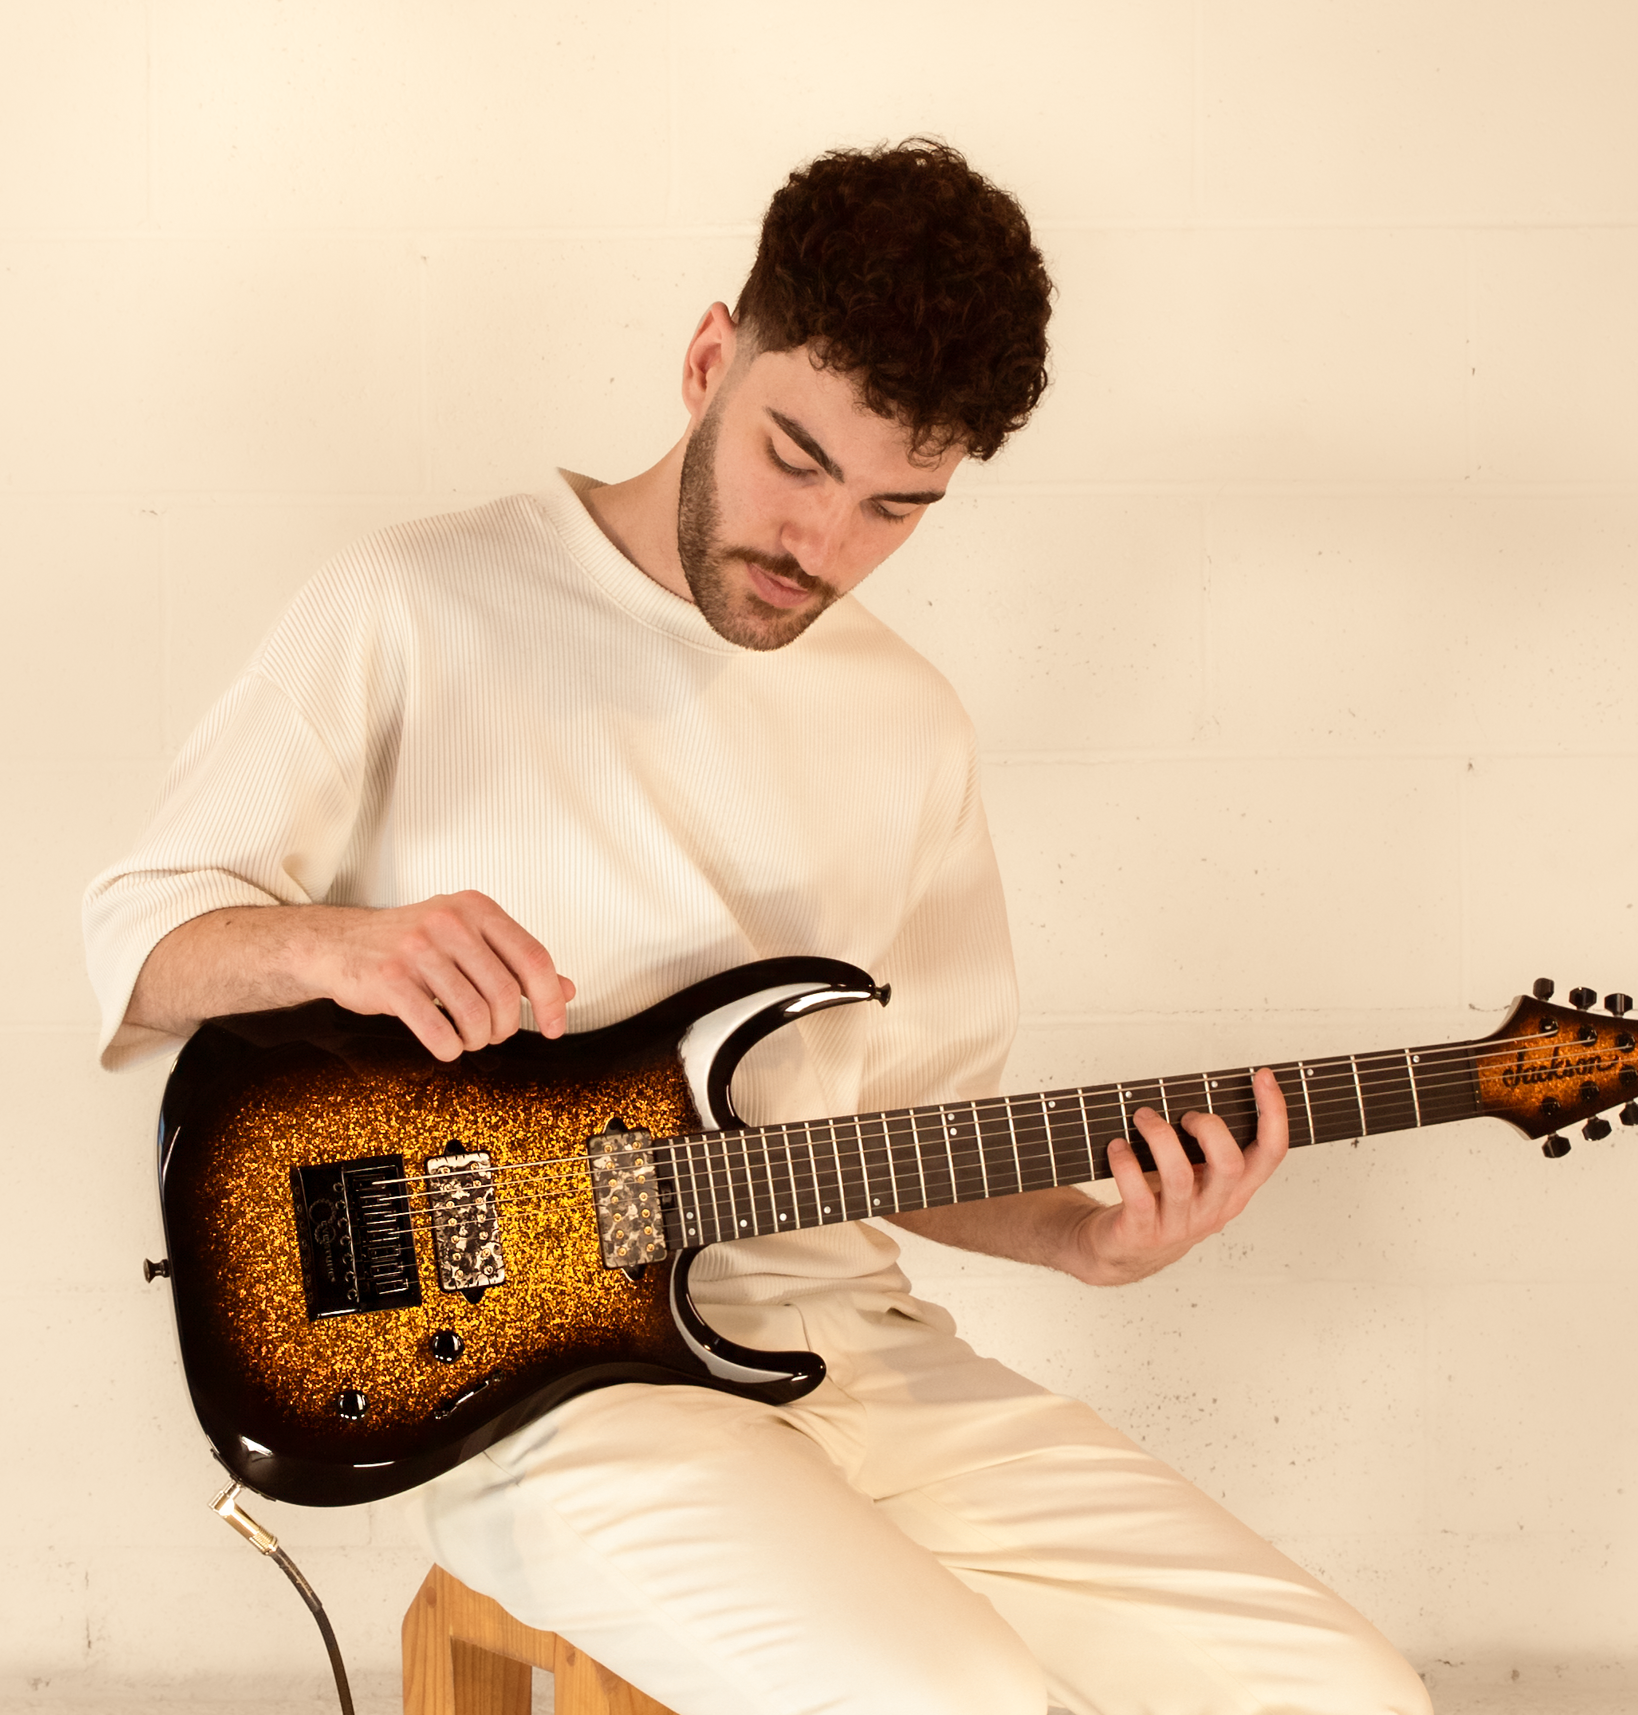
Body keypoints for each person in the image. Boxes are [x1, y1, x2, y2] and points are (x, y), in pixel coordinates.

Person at [84, 139, 1430, 1715]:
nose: (824, 547)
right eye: (798, 458)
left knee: (1344, 1691)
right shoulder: (418, 603)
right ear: (710, 355)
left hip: (856, 1348)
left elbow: (904, 1125)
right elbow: (141, 922)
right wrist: (338, 949)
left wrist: (1084, 1237)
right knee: (962, 1702)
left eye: (896, 509)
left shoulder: (911, 723)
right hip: (552, 1390)